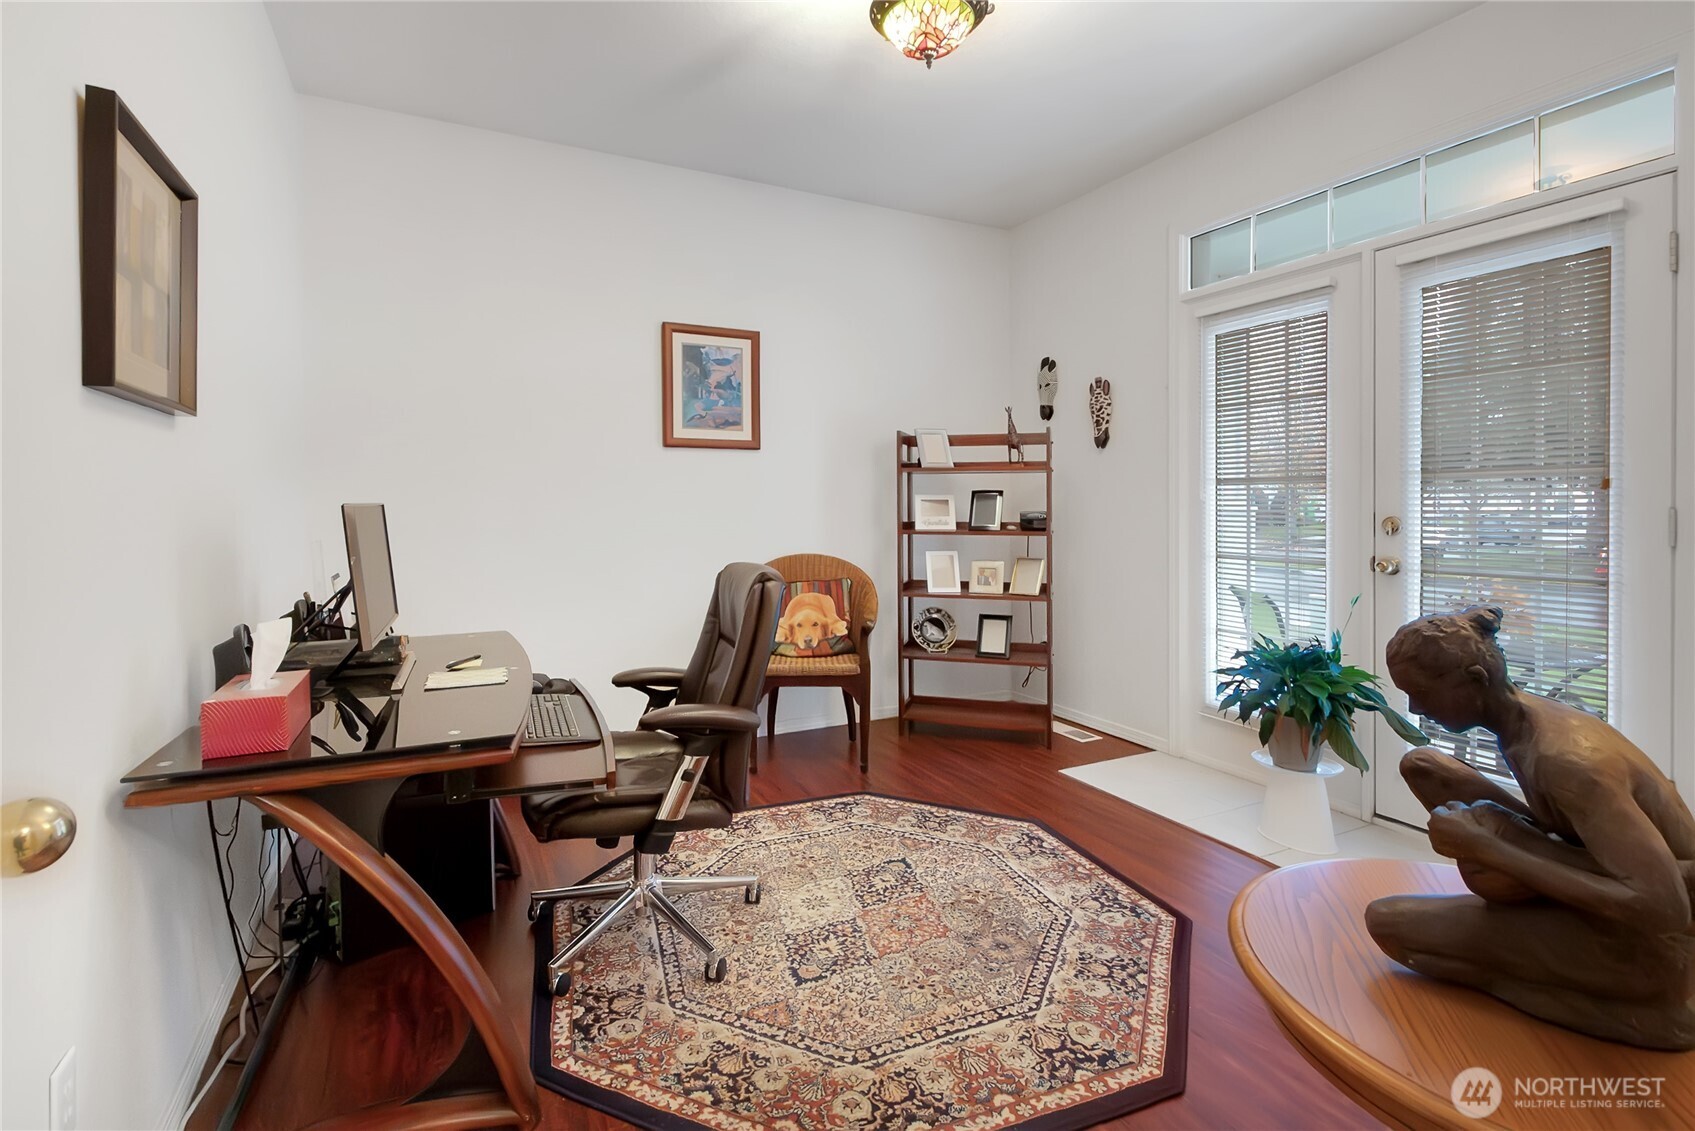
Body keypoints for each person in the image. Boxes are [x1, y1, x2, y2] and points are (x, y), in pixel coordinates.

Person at [1365, 606, 1695, 1049]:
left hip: (1661, 945)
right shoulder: (1525, 723)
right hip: (1633, 895)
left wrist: (1490, 849)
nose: (1415, 708)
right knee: (1422, 765)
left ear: (1476, 679)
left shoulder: (1565, 761)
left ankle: (1647, 1012)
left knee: (1388, 923)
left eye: (1421, 692)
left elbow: (1666, 907)